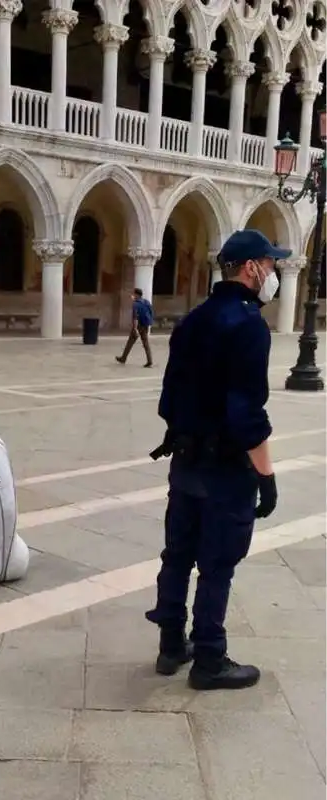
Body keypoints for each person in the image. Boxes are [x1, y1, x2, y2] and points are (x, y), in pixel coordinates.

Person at [145, 229, 289, 691]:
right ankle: (209, 658)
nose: (273, 273)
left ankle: (171, 645)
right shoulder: (248, 325)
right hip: (225, 469)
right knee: (217, 565)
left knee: (177, 554)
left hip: (185, 461)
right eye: (270, 265)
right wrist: (265, 476)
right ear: (251, 268)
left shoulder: (194, 319)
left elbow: (169, 398)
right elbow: (247, 413)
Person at [116, 288, 154, 366]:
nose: (133, 295)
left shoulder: (135, 304)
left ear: (137, 295)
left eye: (134, 294)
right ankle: (149, 360)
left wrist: (135, 328)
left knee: (130, 342)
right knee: (146, 343)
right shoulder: (146, 302)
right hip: (145, 325)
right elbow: (151, 312)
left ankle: (123, 358)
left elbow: (135, 318)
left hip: (139, 325)